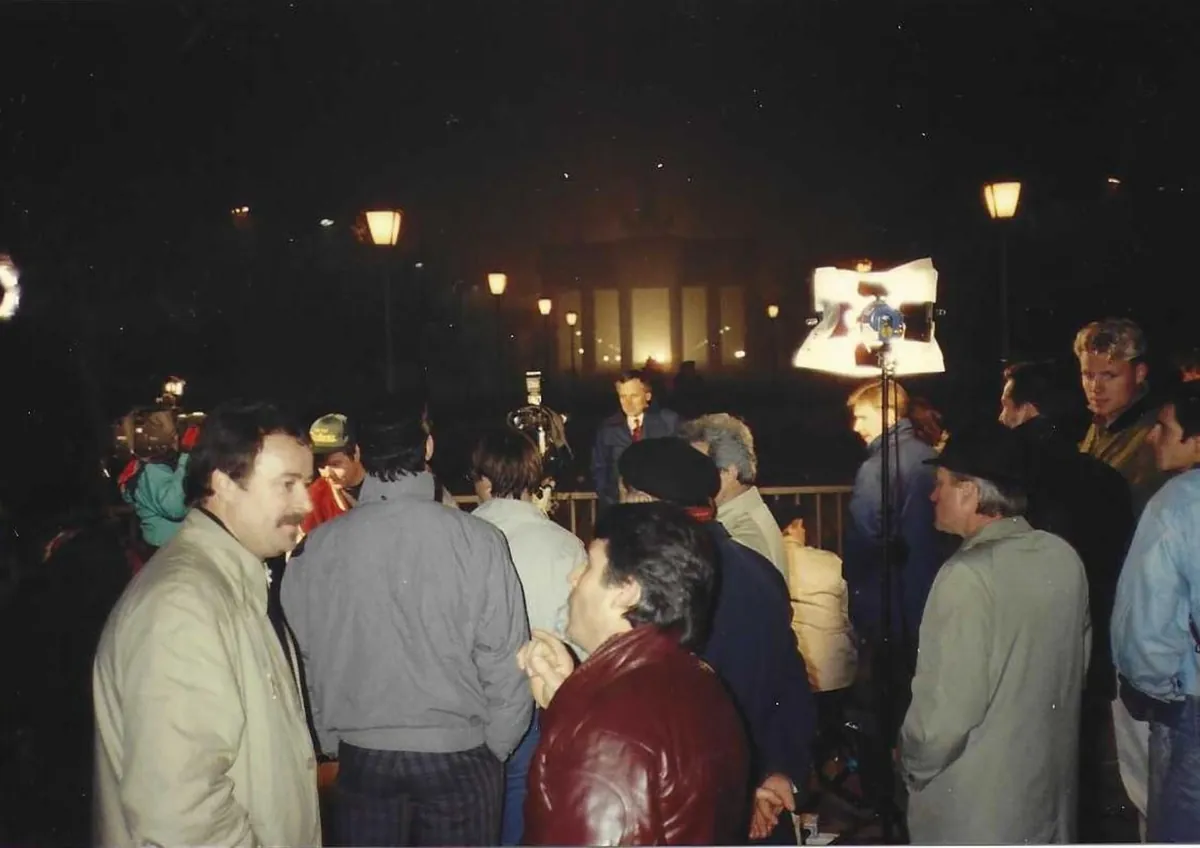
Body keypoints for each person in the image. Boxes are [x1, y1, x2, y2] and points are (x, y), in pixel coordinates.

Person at [282, 396, 532, 847]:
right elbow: (506, 655)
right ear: (428, 447)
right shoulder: (478, 539)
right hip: (461, 751)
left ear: (360, 454)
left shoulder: (318, 548)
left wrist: (330, 739)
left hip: (361, 756)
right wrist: (494, 746)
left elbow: (302, 654)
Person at [92, 401, 321, 848]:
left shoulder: (234, 582)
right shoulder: (183, 606)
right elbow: (181, 815)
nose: (306, 503)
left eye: (307, 484)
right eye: (287, 485)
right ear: (223, 484)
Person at [899, 422, 1090, 843]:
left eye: (942, 483)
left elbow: (944, 715)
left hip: (975, 810)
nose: (933, 495)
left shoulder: (964, 576)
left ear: (970, 491)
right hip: (1046, 801)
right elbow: (1076, 668)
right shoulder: (1062, 557)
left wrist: (910, 761)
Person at [517, 502, 750, 845]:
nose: (573, 577)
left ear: (626, 590)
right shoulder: (701, 681)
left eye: (589, 566)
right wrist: (569, 694)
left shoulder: (604, 730)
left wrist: (579, 713)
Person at [619, 437, 815, 844]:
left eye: (621, 494)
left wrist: (738, 797)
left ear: (641, 501)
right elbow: (790, 684)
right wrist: (779, 774)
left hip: (702, 815)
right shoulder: (759, 569)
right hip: (759, 801)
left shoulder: (661, 585)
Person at [998, 359, 1136, 840]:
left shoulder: (1011, 478)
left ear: (1026, 411)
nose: (1000, 417)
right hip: (1093, 640)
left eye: (1005, 405)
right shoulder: (1103, 478)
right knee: (1077, 764)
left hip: (1027, 648)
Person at [1075, 318, 1176, 833]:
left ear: (1139, 374)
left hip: (1141, 615)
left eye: (1108, 374)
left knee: (1146, 764)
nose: (1095, 385)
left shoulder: (1152, 440)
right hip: (1111, 610)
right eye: (1088, 373)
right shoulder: (1100, 431)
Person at [469, 427, 586, 845]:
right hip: (539, 697)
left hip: (470, 700)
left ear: (482, 479)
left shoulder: (456, 537)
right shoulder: (564, 544)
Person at [1111, 381, 1200, 841]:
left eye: (1164, 428)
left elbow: (1146, 628)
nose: (1151, 437)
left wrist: (1153, 688)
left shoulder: (1176, 504)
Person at [842, 380, 944, 668]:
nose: (855, 427)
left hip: (889, 600)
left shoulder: (877, 466)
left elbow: (865, 537)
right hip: (928, 591)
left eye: (862, 417)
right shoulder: (931, 456)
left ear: (887, 414)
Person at [680, 412, 788, 576]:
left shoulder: (745, 536)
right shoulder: (744, 517)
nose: (690, 477)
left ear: (730, 472)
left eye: (700, 469)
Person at [591, 369, 680, 511]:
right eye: (622, 397)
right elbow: (600, 470)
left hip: (661, 510)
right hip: (621, 511)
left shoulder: (668, 423)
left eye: (634, 396)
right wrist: (613, 502)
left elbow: (678, 466)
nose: (628, 403)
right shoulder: (608, 429)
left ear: (648, 396)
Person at [302, 412, 367, 535]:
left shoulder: (386, 485)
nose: (326, 473)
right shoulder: (313, 502)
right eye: (321, 466)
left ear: (355, 453)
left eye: (335, 464)